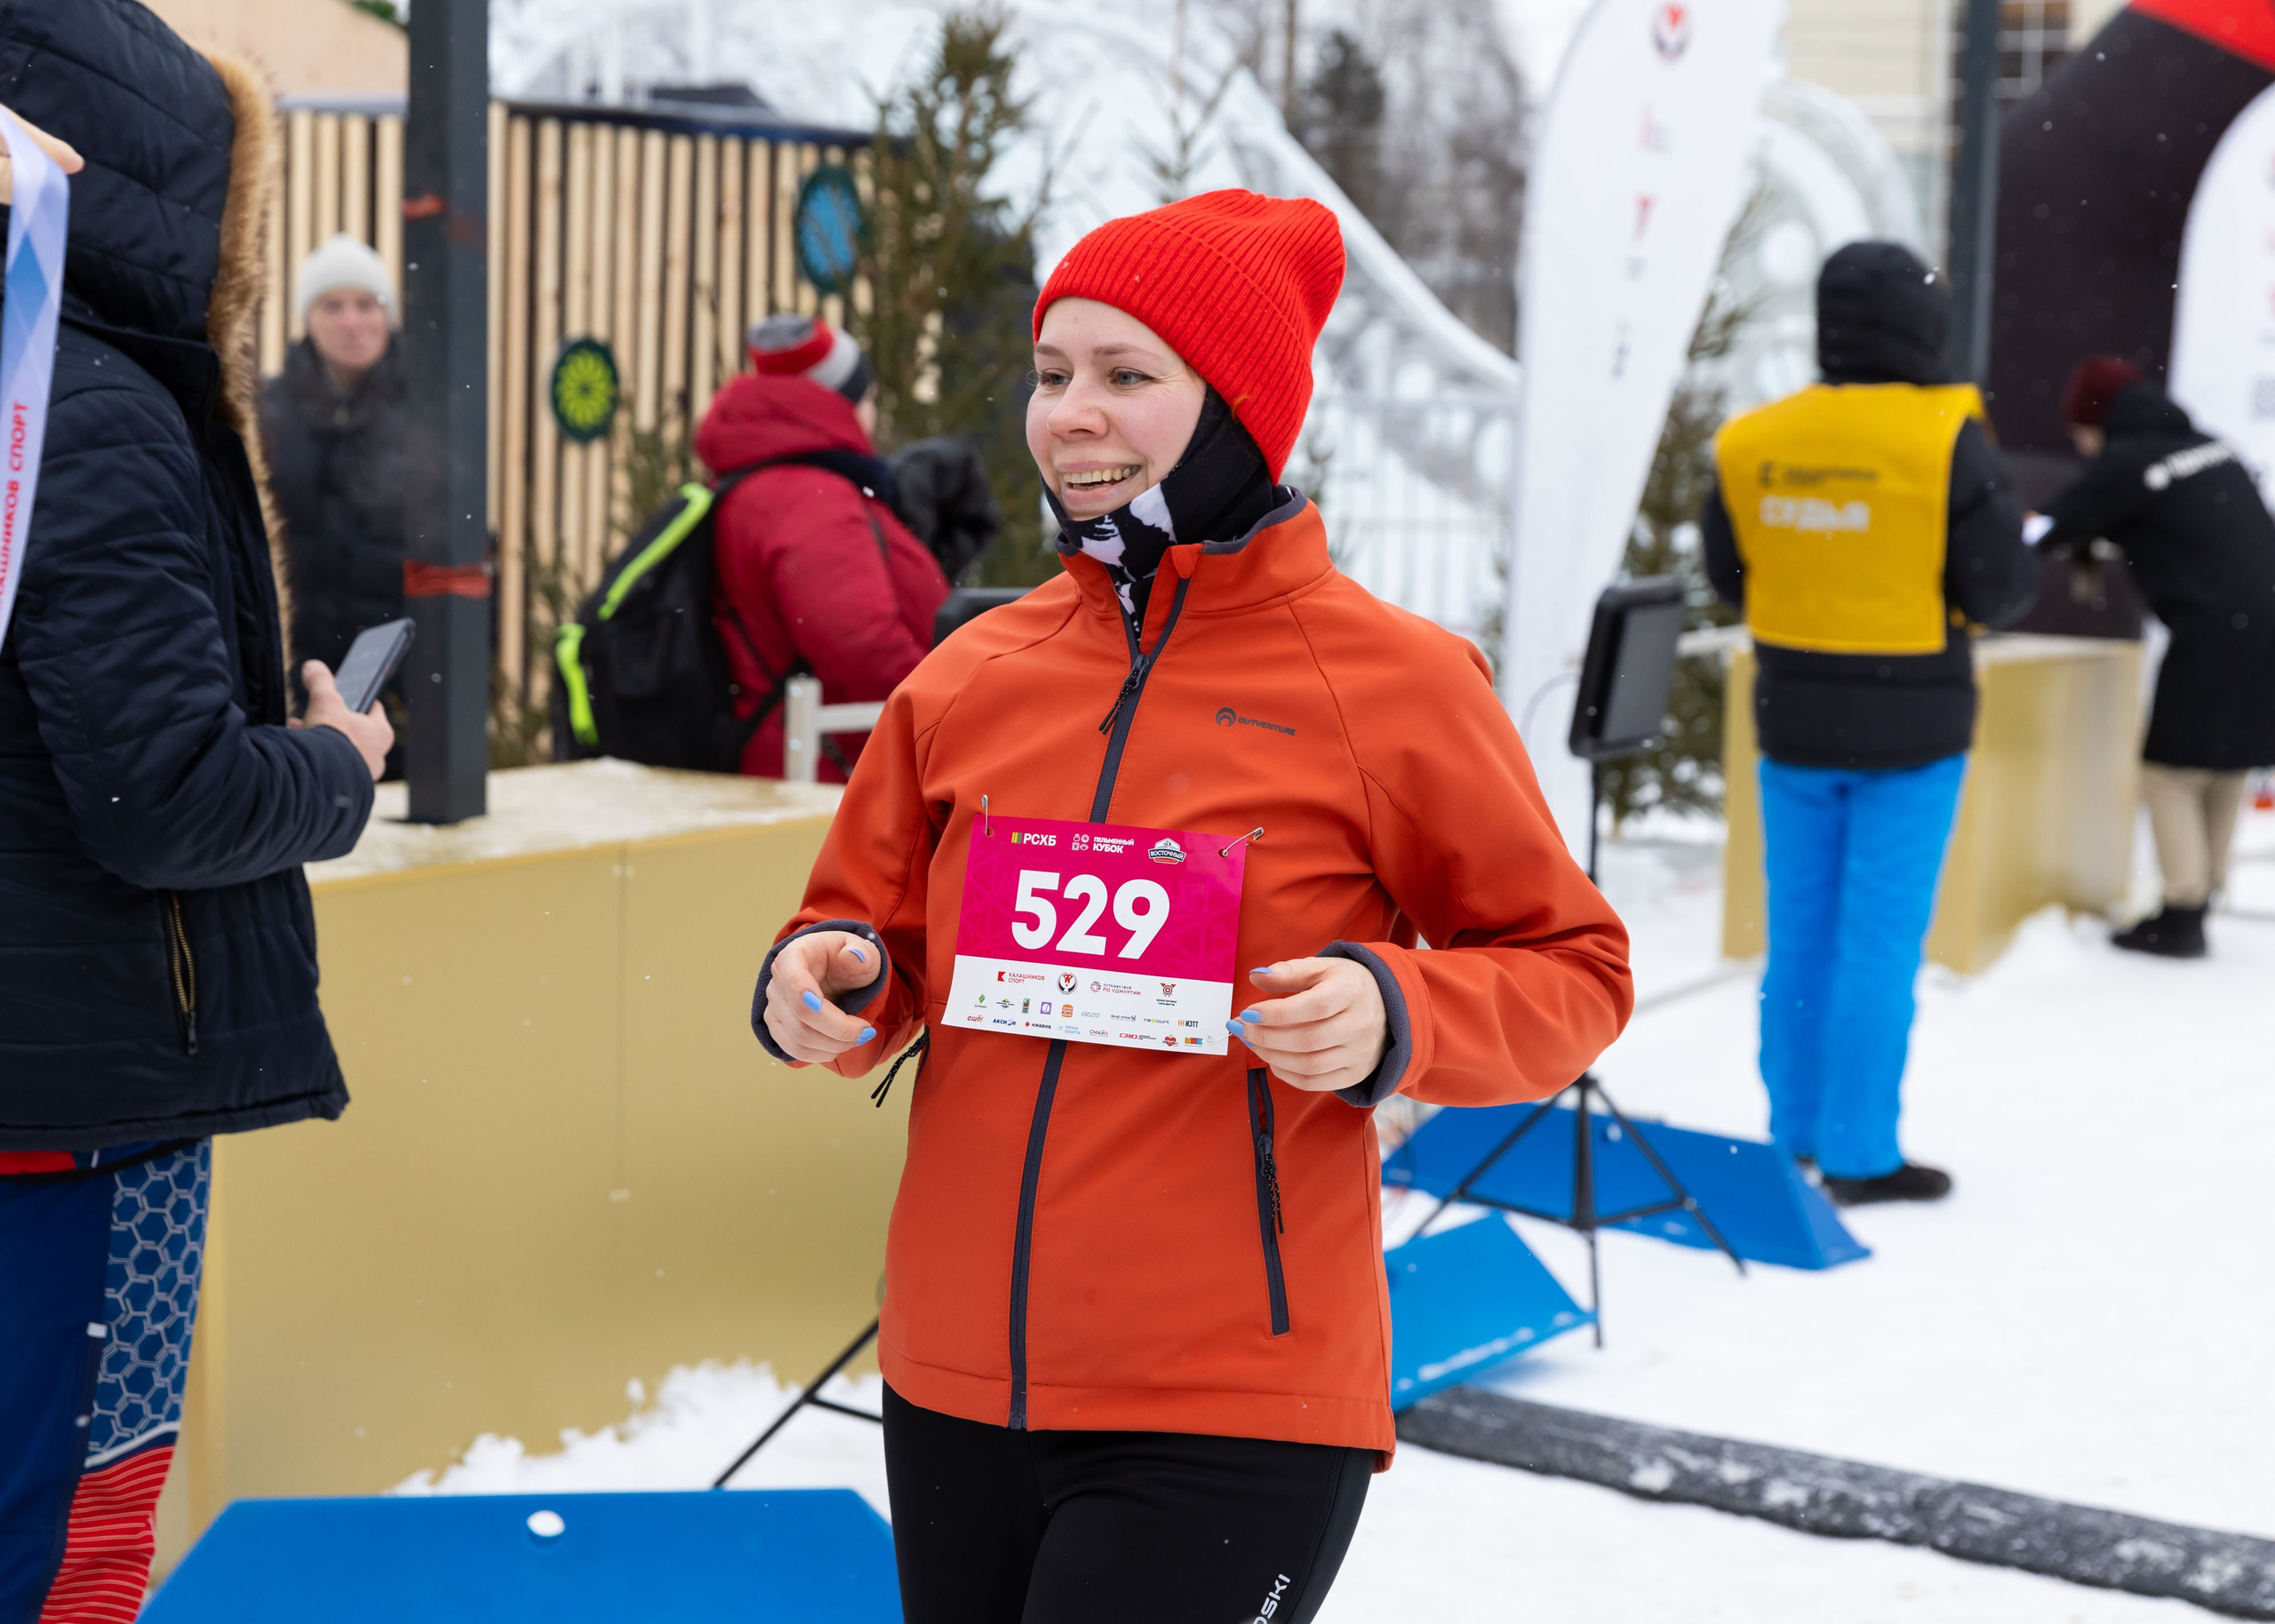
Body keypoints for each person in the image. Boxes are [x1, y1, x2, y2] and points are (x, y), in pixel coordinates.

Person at [751, 190, 1633, 1623]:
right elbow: (869, 931)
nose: (1071, 414)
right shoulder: (975, 670)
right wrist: (826, 977)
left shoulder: (1395, 683)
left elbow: (1574, 969)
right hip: (957, 1374)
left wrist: (1398, 1009)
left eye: (1126, 375)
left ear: (1233, 408)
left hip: (1233, 1399)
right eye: (1051, 374)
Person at [0, 6, 390, 1617]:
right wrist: (337, 764)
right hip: (71, 1110)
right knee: (67, 1543)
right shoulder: (82, 405)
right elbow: (159, 794)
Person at [1700, 241, 2036, 1206]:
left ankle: (1793, 1133)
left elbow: (1729, 579)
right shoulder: (1947, 436)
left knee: (1797, 935)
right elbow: (2001, 589)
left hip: (1792, 723)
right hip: (1915, 737)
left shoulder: (1752, 440)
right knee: (1878, 944)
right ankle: (1857, 1152)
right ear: (1923, 322)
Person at [2040, 357, 2275, 957]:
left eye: (2080, 434)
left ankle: (2182, 910)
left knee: (2169, 771)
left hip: (2215, 631)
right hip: (2265, 622)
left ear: (2096, 421)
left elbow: (2050, 530)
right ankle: (2204, 893)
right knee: (2227, 764)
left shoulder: (2127, 463)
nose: (2083, 447)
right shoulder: (2207, 447)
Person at [696, 314, 949, 781]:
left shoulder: (766, 482)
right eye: (869, 398)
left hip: (799, 760)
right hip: (822, 777)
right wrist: (953, 716)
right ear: (840, 404)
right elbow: (863, 648)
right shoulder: (810, 498)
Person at [260, 233, 410, 764]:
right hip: (293, 674)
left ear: (387, 314)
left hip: (402, 680)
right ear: (307, 318)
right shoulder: (266, 412)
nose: (352, 322)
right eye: (333, 305)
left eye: (366, 304)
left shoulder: (428, 408)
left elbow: (463, 545)